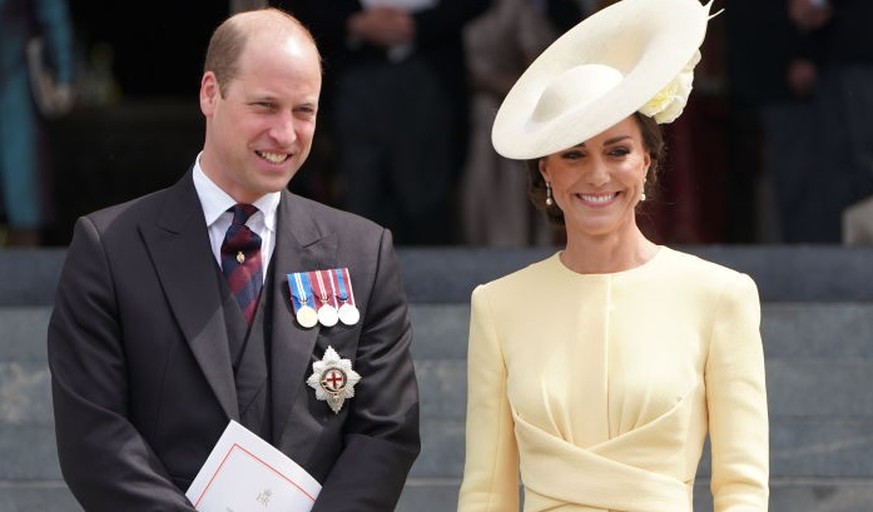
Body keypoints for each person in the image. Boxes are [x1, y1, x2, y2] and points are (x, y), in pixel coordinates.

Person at [47, 8, 420, 511]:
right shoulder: (110, 248)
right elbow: (95, 439)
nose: (285, 134)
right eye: (265, 106)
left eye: (303, 111)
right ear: (209, 93)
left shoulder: (362, 252)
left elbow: (385, 432)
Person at [457, 0, 769, 510]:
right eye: (573, 153)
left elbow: (743, 489)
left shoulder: (720, 296)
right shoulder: (498, 305)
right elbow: (485, 491)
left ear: (647, 161)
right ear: (546, 173)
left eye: (617, 150)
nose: (597, 174)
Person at [271, 0, 489, 245]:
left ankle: (429, 279)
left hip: (431, 68)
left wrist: (420, 24)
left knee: (425, 202)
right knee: (359, 192)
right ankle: (359, 272)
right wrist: (353, 22)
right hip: (351, 70)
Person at [0, 0, 74, 246]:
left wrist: (64, 76)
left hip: (13, 82)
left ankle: (22, 278)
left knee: (23, 196)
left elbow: (52, 12)